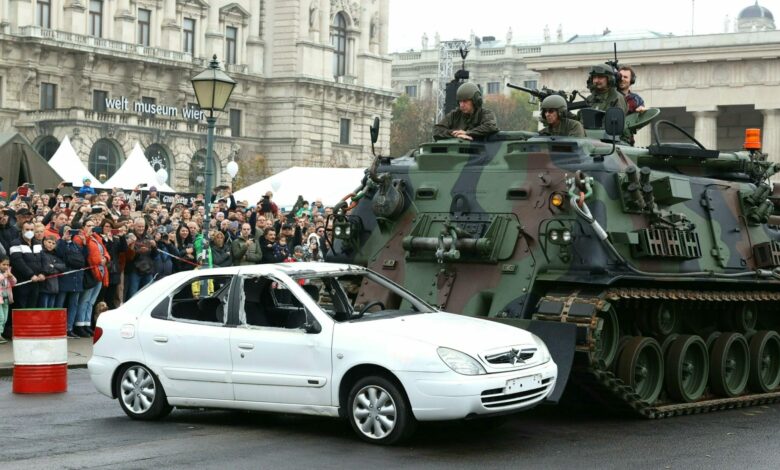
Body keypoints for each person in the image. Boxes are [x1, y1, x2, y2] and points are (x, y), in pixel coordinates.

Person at [433, 82, 498, 141]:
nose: (461, 105)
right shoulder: (454, 115)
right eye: (460, 101)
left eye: (465, 101)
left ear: (475, 100)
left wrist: (468, 133)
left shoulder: (485, 114)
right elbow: (437, 130)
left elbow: (490, 126)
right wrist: (457, 134)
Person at [0, 256, 16, 343]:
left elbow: (14, 283)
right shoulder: (3, 274)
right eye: (3, 264)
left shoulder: (8, 272)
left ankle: (1, 334)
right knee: (1, 317)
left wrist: (11, 276)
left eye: (7, 264)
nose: (6, 266)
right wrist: (3, 276)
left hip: (6, 298)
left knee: (5, 318)